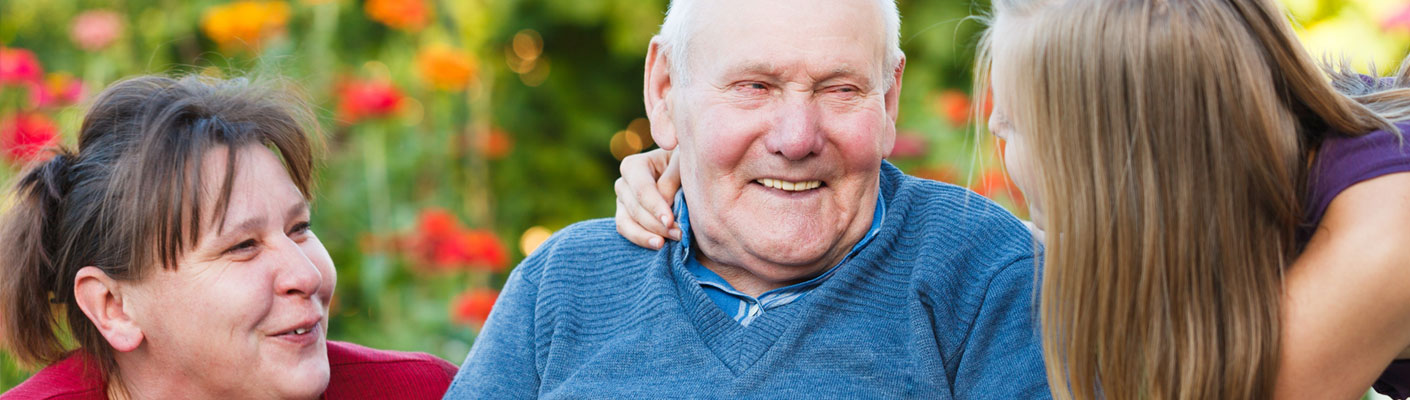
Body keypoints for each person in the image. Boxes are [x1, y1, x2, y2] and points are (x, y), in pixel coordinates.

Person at [614, 0, 1410, 398]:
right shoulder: (1280, 168)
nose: (992, 123)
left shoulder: (1386, 232)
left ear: (1119, 156)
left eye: (1021, 121)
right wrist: (720, 170)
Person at [445, 0, 1050, 398]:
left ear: (888, 100)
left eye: (840, 89)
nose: (797, 138)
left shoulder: (987, 277)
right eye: (754, 87)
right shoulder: (564, 283)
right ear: (664, 91)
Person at [0, 75, 456, 399]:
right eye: (243, 246)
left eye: (300, 229)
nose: (308, 274)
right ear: (113, 307)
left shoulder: (427, 392)